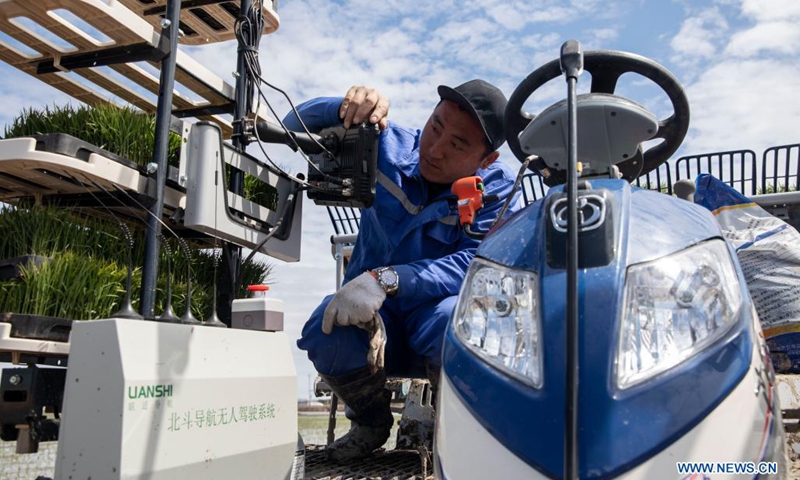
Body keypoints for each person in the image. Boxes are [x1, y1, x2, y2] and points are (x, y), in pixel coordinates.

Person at [284, 80, 521, 463]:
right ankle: (369, 423)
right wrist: (346, 108)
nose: (435, 149)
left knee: (460, 326)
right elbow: (293, 122)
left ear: (486, 160)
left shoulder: (497, 191)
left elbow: (476, 263)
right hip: (375, 316)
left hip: (436, 313)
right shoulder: (385, 146)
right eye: (436, 126)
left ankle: (453, 434)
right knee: (327, 330)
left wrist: (388, 279)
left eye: (457, 144)